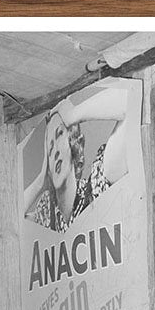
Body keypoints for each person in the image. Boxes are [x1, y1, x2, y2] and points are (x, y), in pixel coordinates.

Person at [23, 85, 131, 233]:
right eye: (50, 146)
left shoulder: (95, 187)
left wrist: (72, 115)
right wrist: (41, 181)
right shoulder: (48, 214)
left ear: (75, 144)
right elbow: (10, 221)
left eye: (60, 134)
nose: (54, 152)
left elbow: (129, 102)